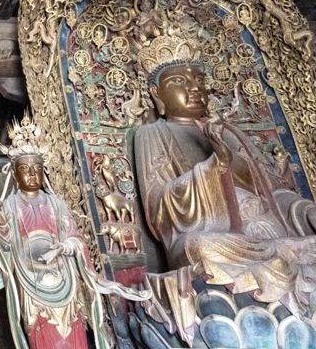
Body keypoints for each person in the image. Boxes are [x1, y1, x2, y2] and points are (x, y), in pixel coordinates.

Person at [132, 33, 316, 311]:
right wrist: (215, 164)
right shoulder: (152, 134)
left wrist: (303, 210)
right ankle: (281, 256)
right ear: (156, 94)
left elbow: (272, 191)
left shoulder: (229, 131)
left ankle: (282, 253)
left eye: (200, 81)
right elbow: (159, 205)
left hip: (265, 224)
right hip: (212, 233)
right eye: (179, 82)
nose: (194, 88)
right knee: (198, 248)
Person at [0, 116, 150, 349]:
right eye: (25, 168)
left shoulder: (57, 204)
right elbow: (6, 249)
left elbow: (75, 238)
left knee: (76, 343)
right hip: (33, 286)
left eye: (36, 168)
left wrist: (64, 246)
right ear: (14, 172)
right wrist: (3, 225)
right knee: (44, 344)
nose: (31, 174)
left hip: (66, 282)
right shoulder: (10, 206)